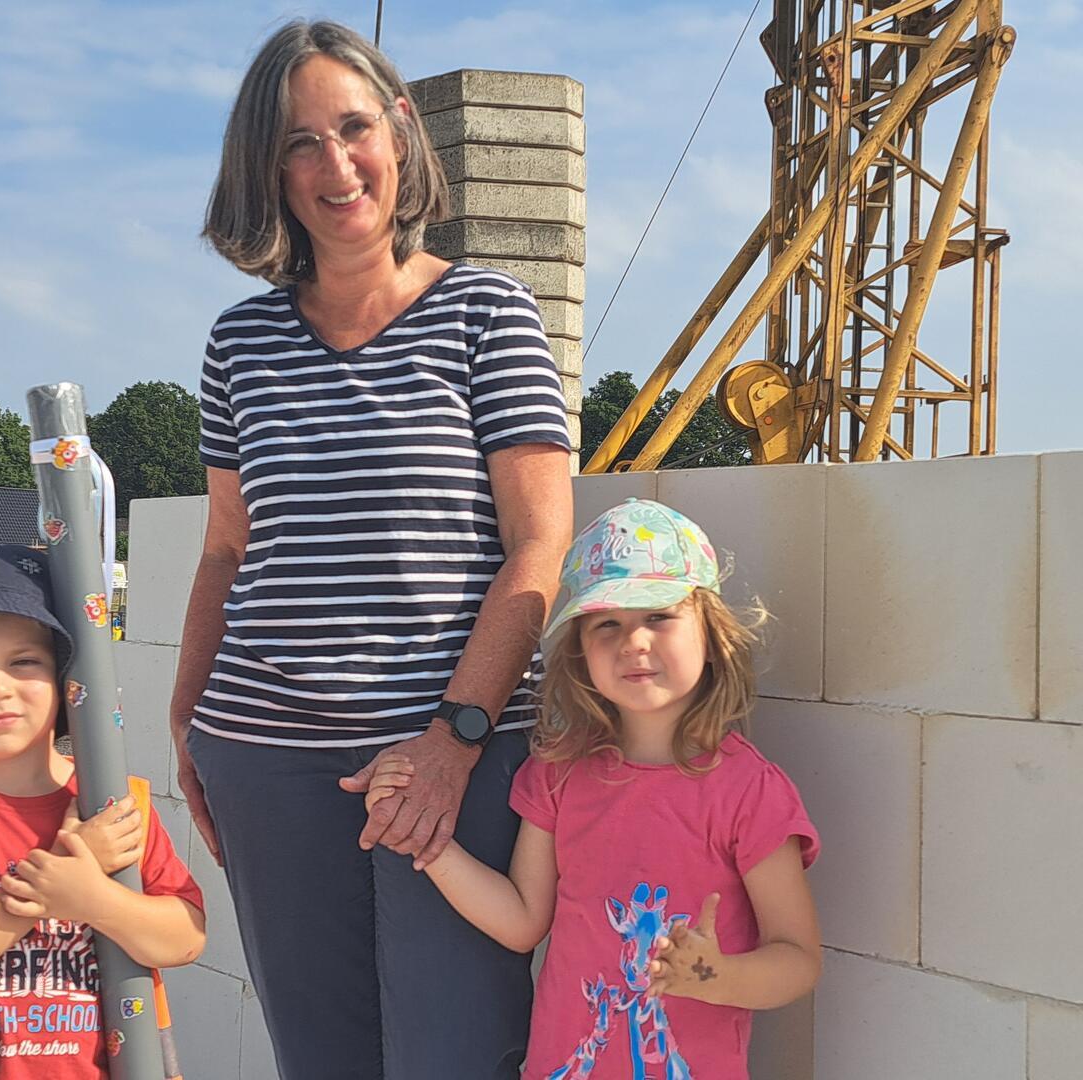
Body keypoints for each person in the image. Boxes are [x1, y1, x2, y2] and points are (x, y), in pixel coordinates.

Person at [174, 18, 574, 1077]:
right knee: (321, 1059)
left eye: (354, 127)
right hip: (265, 757)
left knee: (459, 1054)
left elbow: (538, 549)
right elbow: (224, 551)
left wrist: (456, 737)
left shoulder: (490, 313)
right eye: (299, 142)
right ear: (266, 170)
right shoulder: (238, 342)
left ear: (402, 132)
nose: (335, 165)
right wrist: (185, 717)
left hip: (454, 751)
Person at [365, 499, 823, 1078]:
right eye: (608, 624)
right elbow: (523, 919)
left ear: (711, 633)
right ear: (582, 653)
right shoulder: (558, 773)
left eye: (658, 616)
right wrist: (422, 838)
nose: (633, 642)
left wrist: (720, 977)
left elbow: (799, 957)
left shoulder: (750, 791)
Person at [0, 545, 206, 1079]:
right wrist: (58, 876)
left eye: (24, 662)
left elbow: (184, 938)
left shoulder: (116, 804)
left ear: (64, 677)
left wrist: (92, 897)